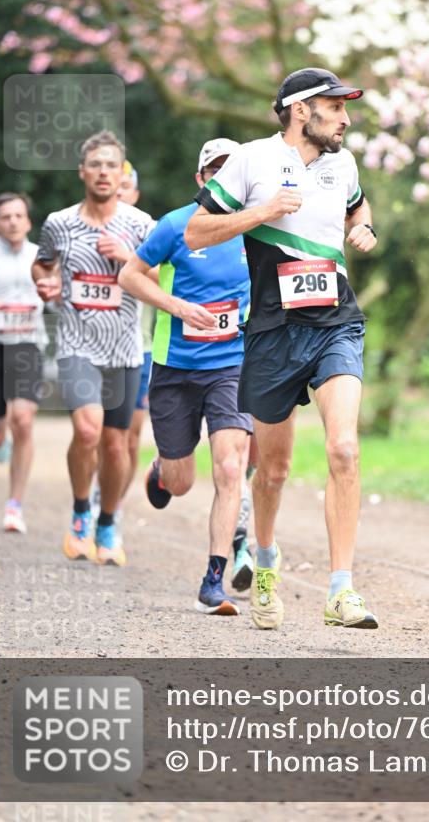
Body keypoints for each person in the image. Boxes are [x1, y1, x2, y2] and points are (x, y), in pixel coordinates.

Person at [185, 67, 379, 630]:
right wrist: (262, 213)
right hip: (273, 332)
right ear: (301, 110)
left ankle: (341, 590)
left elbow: (357, 206)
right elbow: (197, 231)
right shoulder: (251, 160)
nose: (345, 119)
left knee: (344, 448)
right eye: (335, 107)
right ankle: (266, 562)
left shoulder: (344, 164)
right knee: (272, 471)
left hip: (336, 323)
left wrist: (364, 228)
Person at [119, 138, 253, 614]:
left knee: (231, 468)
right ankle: (163, 468)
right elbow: (130, 275)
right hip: (175, 366)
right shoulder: (176, 225)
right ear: (201, 179)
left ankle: (213, 580)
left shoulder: (256, 230)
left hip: (232, 365)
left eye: (232, 170)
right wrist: (176, 306)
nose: (223, 178)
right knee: (181, 483)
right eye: (215, 171)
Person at [31, 130, 154, 566]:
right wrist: (45, 284)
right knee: (87, 431)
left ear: (121, 174)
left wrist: (127, 259)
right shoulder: (59, 223)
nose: (104, 172)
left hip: (123, 348)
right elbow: (42, 264)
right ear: (82, 171)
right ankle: (81, 512)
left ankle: (108, 522)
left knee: (116, 444)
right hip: (76, 343)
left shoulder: (141, 225)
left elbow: (162, 279)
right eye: (96, 164)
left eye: (112, 165)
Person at [0, 194, 47, 531]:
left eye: (19, 216)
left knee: (23, 420)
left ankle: (14, 505)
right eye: (5, 217)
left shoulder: (41, 256)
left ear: (28, 221)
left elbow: (58, 294)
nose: (13, 222)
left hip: (28, 345)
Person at [91, 159, 154, 529]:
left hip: (139, 348)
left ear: (135, 193)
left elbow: (169, 279)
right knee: (96, 432)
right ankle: (96, 495)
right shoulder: (85, 226)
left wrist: (128, 259)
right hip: (93, 348)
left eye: (125, 186)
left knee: (128, 437)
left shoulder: (150, 230)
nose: (119, 193)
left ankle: (111, 508)